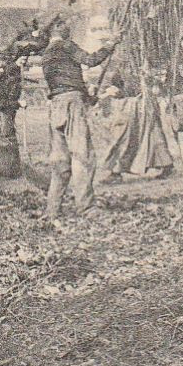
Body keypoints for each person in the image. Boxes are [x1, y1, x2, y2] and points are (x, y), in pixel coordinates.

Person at [35, 20, 115, 220]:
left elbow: (64, 82)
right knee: (82, 156)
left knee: (60, 161)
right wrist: (110, 44)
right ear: (55, 29)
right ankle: (86, 208)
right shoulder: (65, 45)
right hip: (71, 103)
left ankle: (52, 210)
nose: (67, 26)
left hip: (56, 105)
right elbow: (90, 60)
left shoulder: (47, 54)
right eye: (62, 24)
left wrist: (88, 96)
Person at [0, 52, 49, 194]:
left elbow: (8, 85)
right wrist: (18, 103)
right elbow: (0, 102)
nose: (1, 71)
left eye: (3, 68)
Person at [102, 65, 175, 181]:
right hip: (129, 101)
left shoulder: (147, 57)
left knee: (153, 133)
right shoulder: (120, 58)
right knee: (124, 134)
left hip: (144, 99)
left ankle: (166, 165)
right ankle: (116, 170)